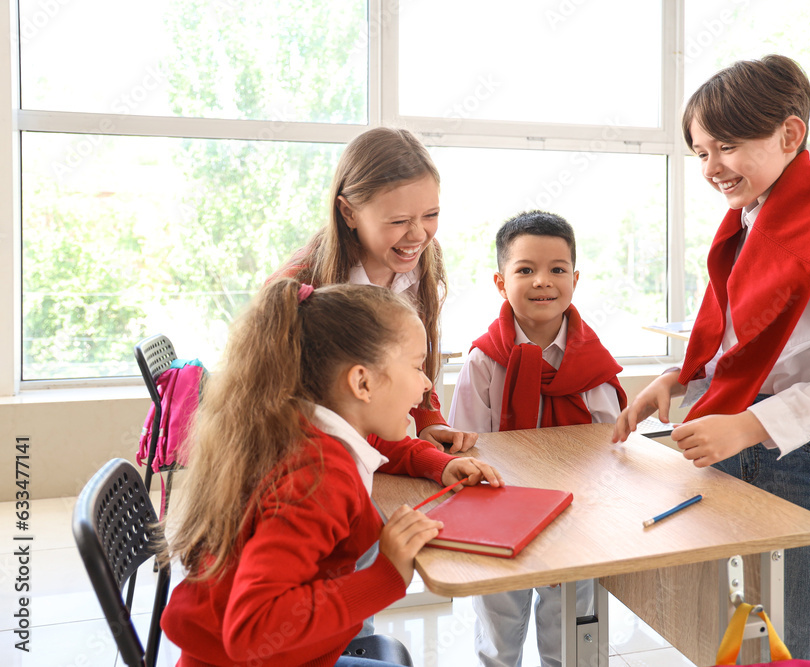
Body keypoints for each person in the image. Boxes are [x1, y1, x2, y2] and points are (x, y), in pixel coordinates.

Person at [612, 55, 810, 663]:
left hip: (809, 454)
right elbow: (749, 339)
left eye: (727, 146)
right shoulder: (749, 219)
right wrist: (678, 379)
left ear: (790, 135)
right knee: (730, 629)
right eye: (701, 152)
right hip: (736, 434)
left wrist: (753, 424)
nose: (711, 168)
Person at [160, 279, 504, 666]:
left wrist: (437, 463)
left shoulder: (302, 424)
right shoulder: (319, 477)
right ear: (362, 381)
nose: (426, 384)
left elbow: (377, 442)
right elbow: (252, 630)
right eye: (417, 366)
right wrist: (385, 576)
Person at [450, 210, 626, 667]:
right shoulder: (484, 361)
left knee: (570, 637)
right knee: (498, 638)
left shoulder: (593, 363)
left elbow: (610, 446)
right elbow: (467, 447)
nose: (542, 281)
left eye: (557, 269)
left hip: (577, 515)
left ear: (575, 278)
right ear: (499, 281)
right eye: (525, 269)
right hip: (499, 512)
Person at [276, 126, 477, 453]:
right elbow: (293, 407)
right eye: (398, 221)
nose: (417, 235)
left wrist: (429, 420)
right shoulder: (303, 280)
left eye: (431, 215)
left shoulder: (424, 261)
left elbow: (412, 358)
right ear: (349, 212)